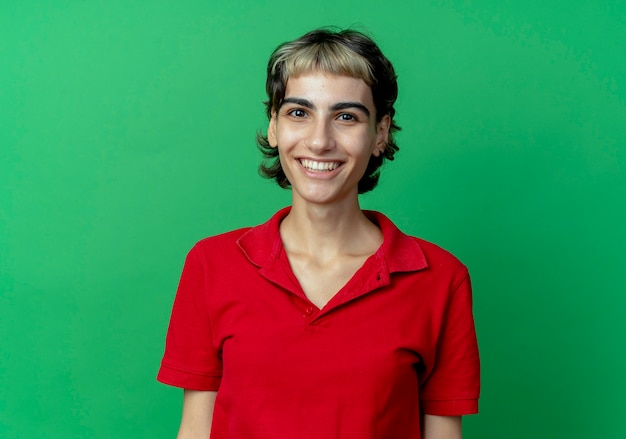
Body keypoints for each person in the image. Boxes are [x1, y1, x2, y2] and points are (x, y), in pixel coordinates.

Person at [157, 28, 480, 439]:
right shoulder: (211, 264)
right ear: (273, 126)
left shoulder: (440, 278)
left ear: (380, 132)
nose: (319, 140)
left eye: (346, 116)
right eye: (298, 113)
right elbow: (197, 430)